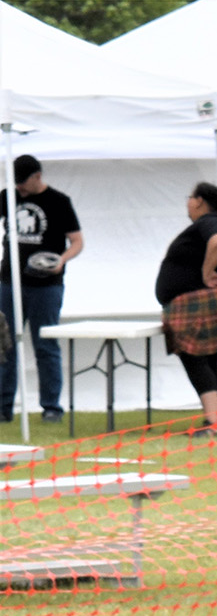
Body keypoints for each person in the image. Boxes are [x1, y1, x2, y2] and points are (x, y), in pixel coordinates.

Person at [0, 154, 83, 424]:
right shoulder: (7, 197)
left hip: (46, 286)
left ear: (37, 176)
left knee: (45, 345)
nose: (19, 190)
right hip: (9, 283)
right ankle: (3, 407)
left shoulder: (59, 202)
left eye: (23, 184)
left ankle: (51, 407)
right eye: (16, 184)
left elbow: (77, 242)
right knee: (5, 345)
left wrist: (62, 261)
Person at [154, 182, 217, 435]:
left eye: (190, 197)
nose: (188, 202)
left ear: (200, 201)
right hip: (206, 301)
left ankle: (212, 424)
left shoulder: (210, 222)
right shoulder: (214, 222)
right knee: (209, 358)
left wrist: (205, 272)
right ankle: (216, 422)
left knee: (194, 358)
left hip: (197, 303)